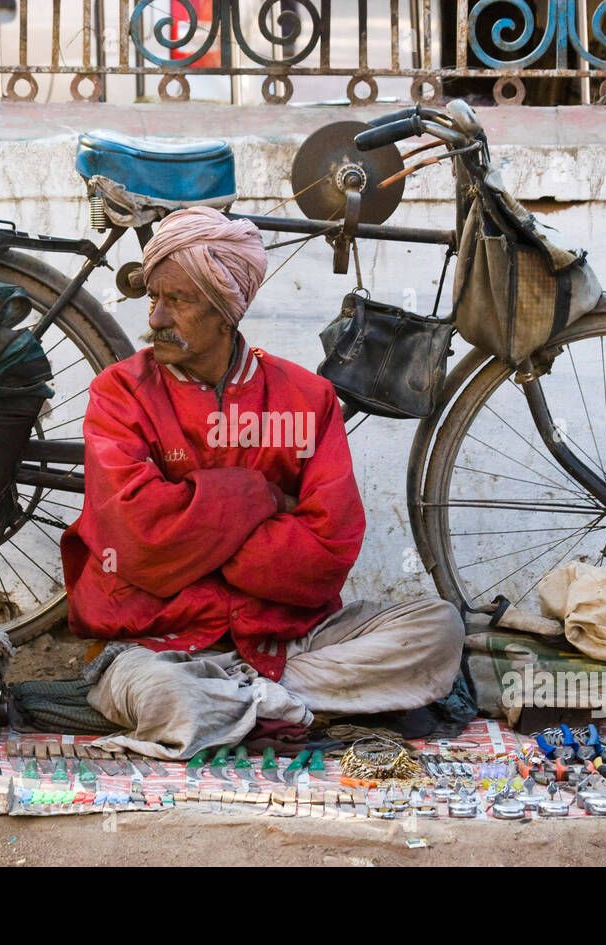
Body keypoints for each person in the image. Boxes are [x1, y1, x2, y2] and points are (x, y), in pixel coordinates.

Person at [60, 206, 464, 759]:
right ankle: (304, 708)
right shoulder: (119, 393)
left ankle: (247, 705)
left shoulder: (306, 397)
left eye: (177, 300)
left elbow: (327, 553)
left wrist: (196, 527)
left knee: (438, 630)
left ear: (226, 311)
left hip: (288, 641)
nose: (155, 318)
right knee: (162, 693)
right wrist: (262, 498)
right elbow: (139, 539)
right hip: (159, 644)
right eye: (154, 297)